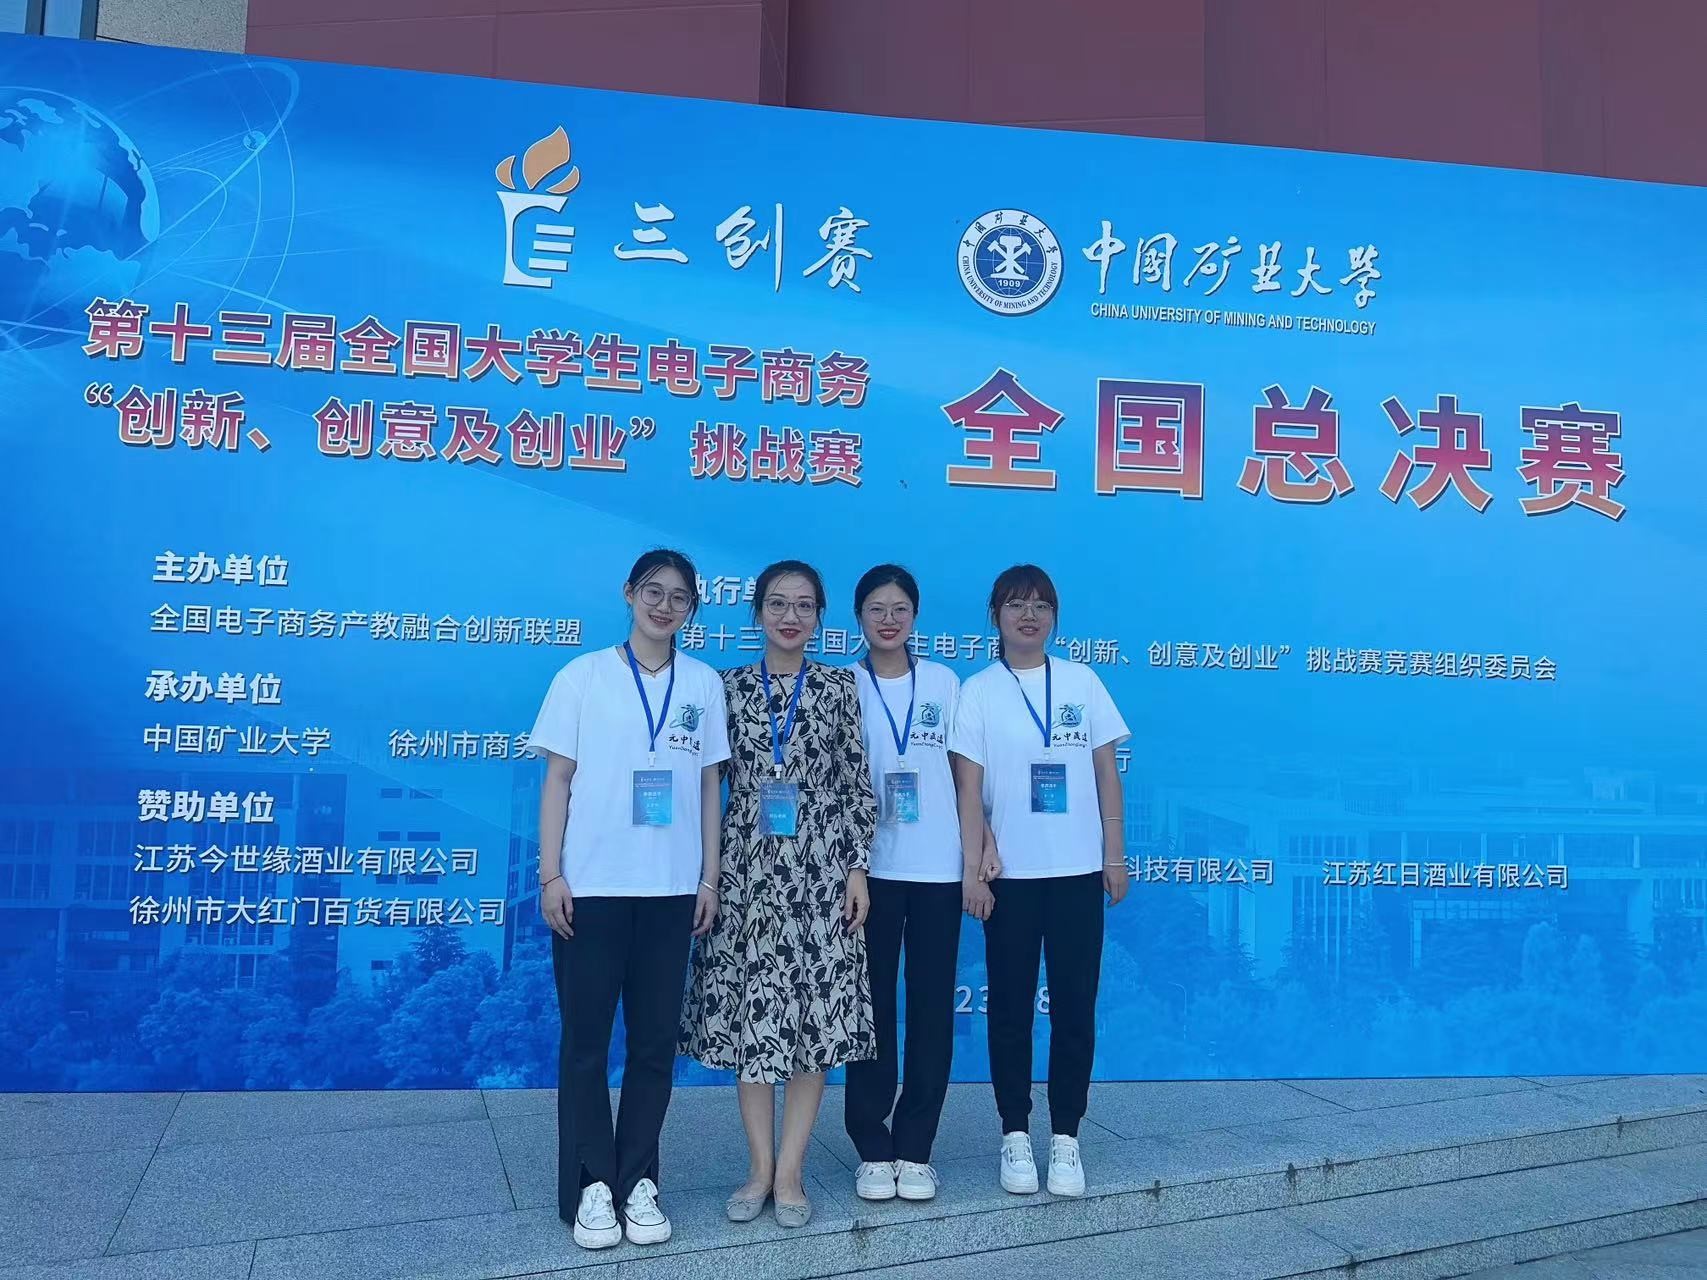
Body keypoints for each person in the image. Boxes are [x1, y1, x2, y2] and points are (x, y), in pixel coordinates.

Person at [528, 549, 729, 1251]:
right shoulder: (581, 677)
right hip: (591, 891)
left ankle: (639, 1177)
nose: (664, 606)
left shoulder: (702, 684)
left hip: (671, 893)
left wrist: (708, 878)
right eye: (653, 591)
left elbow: (709, 786)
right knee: (585, 1045)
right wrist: (550, 875)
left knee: (652, 1046)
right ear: (628, 594)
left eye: (679, 597)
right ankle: (591, 1182)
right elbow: (558, 781)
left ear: (691, 609)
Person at [681, 559, 877, 1229]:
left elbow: (854, 784)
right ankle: (758, 1169)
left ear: (820, 616)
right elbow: (705, 785)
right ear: (757, 612)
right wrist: (707, 875)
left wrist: (856, 869)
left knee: (813, 1023)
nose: (790, 616)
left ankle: (791, 1172)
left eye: (803, 605)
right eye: (777, 603)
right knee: (752, 1019)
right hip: (745, 874)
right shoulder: (725, 687)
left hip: (820, 874)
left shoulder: (839, 686)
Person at [951, 564, 1130, 1199]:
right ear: (995, 616)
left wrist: (1114, 855)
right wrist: (974, 867)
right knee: (1009, 1010)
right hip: (1013, 881)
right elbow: (967, 790)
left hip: (1078, 874)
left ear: (1054, 617)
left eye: (1041, 606)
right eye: (1016, 605)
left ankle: (1067, 1137)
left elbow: (1107, 773)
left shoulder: (1082, 681)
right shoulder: (978, 692)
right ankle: (1015, 1134)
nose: (1029, 616)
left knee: (1076, 1009)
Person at [843, 564, 988, 1203]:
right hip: (870, 874)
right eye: (877, 608)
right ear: (858, 617)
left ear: (915, 616)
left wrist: (976, 857)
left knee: (931, 1009)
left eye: (899, 608)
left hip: (936, 871)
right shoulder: (843, 685)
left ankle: (916, 1146)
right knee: (870, 1008)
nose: (889, 619)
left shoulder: (943, 683)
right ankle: (872, 1144)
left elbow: (965, 778)